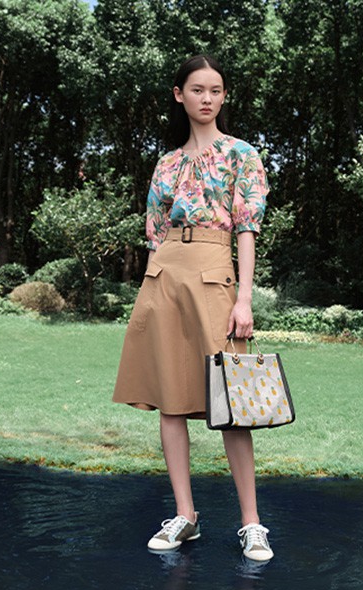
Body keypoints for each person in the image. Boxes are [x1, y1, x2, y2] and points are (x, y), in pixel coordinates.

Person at [112, 55, 273, 562]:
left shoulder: (241, 154)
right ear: (179, 95)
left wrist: (243, 297)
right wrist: (148, 291)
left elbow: (247, 229)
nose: (208, 98)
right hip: (164, 275)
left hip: (214, 271)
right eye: (198, 89)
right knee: (170, 399)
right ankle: (186, 516)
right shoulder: (165, 162)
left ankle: (252, 523)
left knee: (233, 401)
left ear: (224, 97)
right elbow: (154, 233)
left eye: (216, 90)